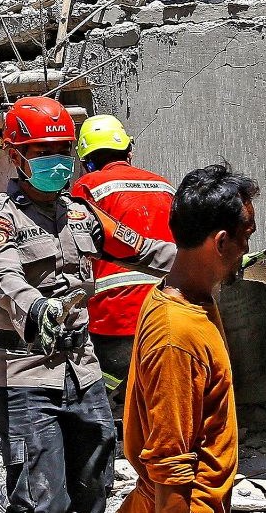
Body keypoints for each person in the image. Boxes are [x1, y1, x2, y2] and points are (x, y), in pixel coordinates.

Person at [0, 96, 177, 513]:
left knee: (94, 486)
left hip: (83, 370)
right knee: (43, 499)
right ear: (16, 156)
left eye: (63, 149)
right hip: (23, 375)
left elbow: (146, 250)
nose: (57, 160)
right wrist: (38, 309)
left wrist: (222, 259)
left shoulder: (84, 215)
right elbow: (4, 277)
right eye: (42, 152)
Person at [120, 164, 264, 513]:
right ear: (221, 242)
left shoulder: (191, 295)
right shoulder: (177, 335)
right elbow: (170, 467)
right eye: (245, 237)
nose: (246, 249)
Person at [70, 115, 176, 406]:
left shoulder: (87, 186)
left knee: (97, 388)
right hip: (166, 304)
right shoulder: (164, 186)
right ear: (129, 150)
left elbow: (77, 243)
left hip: (115, 312)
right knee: (160, 384)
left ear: (86, 160)